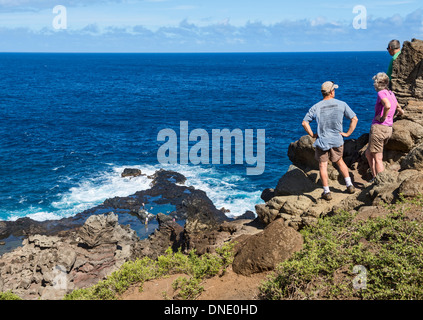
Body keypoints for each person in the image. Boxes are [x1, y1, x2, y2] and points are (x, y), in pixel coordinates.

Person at [302, 81, 358, 201]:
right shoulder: (341, 104)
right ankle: (349, 185)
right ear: (332, 92)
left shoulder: (316, 106)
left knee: (323, 165)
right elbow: (354, 119)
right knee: (339, 161)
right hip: (337, 140)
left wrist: (312, 134)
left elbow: (304, 122)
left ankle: (327, 192)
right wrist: (348, 133)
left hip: (322, 141)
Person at [365, 72, 404, 181]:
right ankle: (374, 177)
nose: (373, 84)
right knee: (368, 153)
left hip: (379, 127)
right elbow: (396, 105)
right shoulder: (390, 93)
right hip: (388, 129)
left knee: (378, 158)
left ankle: (380, 181)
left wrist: (382, 117)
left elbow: (387, 105)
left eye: (374, 82)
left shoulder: (381, 93)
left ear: (378, 83)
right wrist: (400, 111)